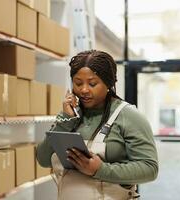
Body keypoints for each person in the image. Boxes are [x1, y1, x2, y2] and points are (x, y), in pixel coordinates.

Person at [36, 50, 158, 200]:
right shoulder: (71, 115)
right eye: (78, 83)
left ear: (109, 83)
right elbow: (43, 159)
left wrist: (100, 169)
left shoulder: (129, 116)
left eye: (92, 83)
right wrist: (65, 120)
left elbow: (150, 169)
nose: (84, 90)